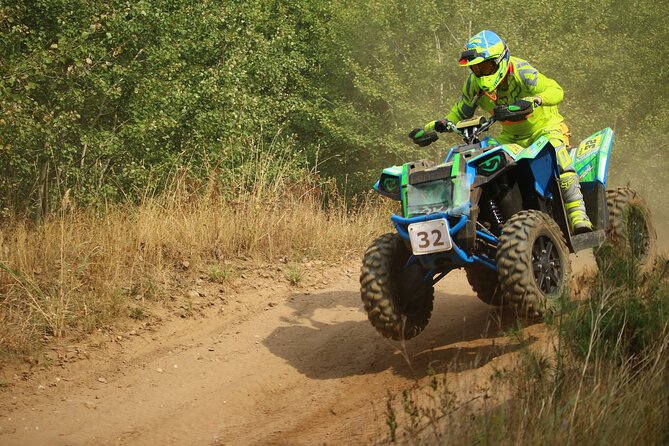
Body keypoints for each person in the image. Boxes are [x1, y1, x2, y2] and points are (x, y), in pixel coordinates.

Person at [414, 29, 592, 234]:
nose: (482, 73)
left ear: (501, 60)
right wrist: (433, 126)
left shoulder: (521, 71)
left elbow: (556, 90)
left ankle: (578, 216)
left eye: (487, 66)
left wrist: (535, 100)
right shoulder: (475, 84)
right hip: (511, 137)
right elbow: (461, 110)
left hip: (545, 129)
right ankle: (491, 221)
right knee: (483, 163)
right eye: (477, 69)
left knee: (560, 156)